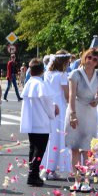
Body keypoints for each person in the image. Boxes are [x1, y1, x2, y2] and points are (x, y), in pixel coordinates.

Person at [64, 47, 98, 192]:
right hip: (76, 109)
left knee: (87, 149)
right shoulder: (75, 74)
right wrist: (73, 114)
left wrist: (97, 100)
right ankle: (77, 180)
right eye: (89, 57)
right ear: (84, 58)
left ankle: (87, 180)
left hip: (90, 112)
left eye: (95, 59)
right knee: (75, 148)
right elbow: (71, 95)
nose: (91, 61)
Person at [20, 58, 58, 187]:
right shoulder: (40, 85)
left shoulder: (29, 83)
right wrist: (53, 111)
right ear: (42, 71)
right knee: (39, 150)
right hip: (41, 122)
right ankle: (33, 175)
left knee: (33, 149)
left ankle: (32, 173)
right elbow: (47, 103)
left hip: (31, 122)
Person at [41, 51, 71, 179]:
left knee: (50, 136)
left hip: (50, 105)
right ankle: (50, 169)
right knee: (58, 137)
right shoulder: (62, 75)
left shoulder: (47, 73)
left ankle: (48, 167)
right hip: (60, 105)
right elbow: (66, 94)